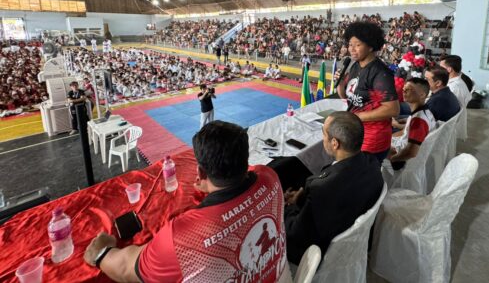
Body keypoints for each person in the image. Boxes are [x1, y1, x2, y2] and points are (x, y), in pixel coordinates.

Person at [84, 121, 288, 283]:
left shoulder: (182, 238)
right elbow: (248, 172)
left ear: (200, 172)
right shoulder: (269, 177)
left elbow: (125, 268)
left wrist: (102, 253)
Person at [283, 111, 383, 264]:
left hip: (322, 252)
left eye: (324, 134)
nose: (323, 139)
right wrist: (303, 198)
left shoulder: (322, 188)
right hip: (356, 238)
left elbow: (296, 233)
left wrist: (288, 208)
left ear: (335, 143)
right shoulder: (372, 163)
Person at [335, 21, 399, 162]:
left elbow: (393, 109)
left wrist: (357, 117)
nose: (352, 49)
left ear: (370, 46)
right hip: (355, 132)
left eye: (357, 45)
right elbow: (349, 98)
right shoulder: (355, 66)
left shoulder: (380, 73)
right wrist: (340, 85)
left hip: (372, 138)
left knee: (365, 173)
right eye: (350, 44)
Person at [389, 78, 436, 169]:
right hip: (402, 144)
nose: (404, 91)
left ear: (422, 95)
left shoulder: (419, 120)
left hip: (402, 156)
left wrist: (393, 159)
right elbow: (405, 133)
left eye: (409, 89)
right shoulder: (425, 111)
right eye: (404, 89)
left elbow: (411, 152)